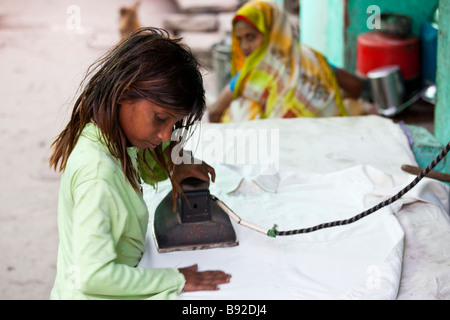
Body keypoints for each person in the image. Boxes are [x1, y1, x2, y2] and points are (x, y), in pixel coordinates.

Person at [49, 27, 231, 299]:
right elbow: (94, 277)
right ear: (124, 94)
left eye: (174, 123)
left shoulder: (108, 139)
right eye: (160, 118)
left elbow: (146, 169)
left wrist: (175, 164)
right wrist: (176, 278)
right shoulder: (98, 175)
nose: (166, 135)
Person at [208, 0, 363, 123]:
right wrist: (319, 103)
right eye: (240, 39)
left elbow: (215, 113)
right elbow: (356, 86)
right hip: (320, 138)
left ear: (272, 32)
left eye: (251, 37)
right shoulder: (310, 58)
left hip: (281, 147)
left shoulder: (252, 74)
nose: (244, 46)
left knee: (239, 110)